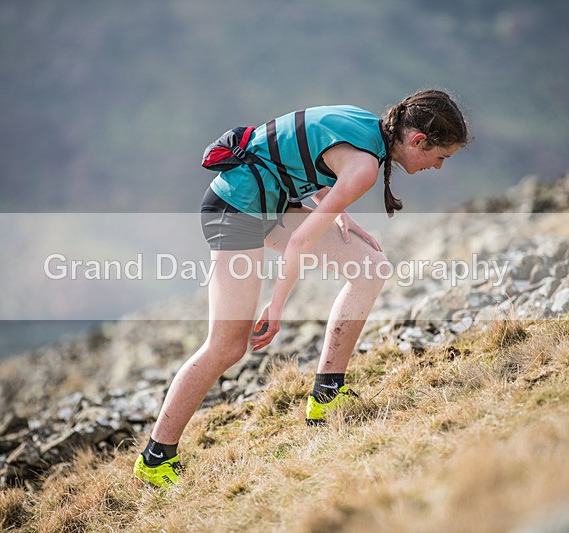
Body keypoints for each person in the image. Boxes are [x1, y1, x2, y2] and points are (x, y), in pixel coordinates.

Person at [133, 89, 469, 487]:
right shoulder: (365, 166)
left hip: (268, 201)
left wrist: (338, 212)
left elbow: (298, 151)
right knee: (227, 347)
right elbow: (299, 242)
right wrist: (276, 308)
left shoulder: (369, 126)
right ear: (418, 141)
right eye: (440, 157)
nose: (438, 167)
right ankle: (155, 458)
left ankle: (327, 396)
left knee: (369, 267)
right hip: (235, 209)